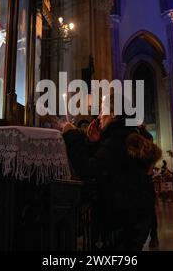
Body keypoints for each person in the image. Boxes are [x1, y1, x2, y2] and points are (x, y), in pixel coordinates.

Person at [62, 94, 162, 250]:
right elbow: (111, 166)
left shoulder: (117, 137)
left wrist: (71, 135)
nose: (100, 116)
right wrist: (95, 143)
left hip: (123, 219)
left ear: (114, 113)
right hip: (135, 217)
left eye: (103, 110)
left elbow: (88, 170)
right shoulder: (126, 132)